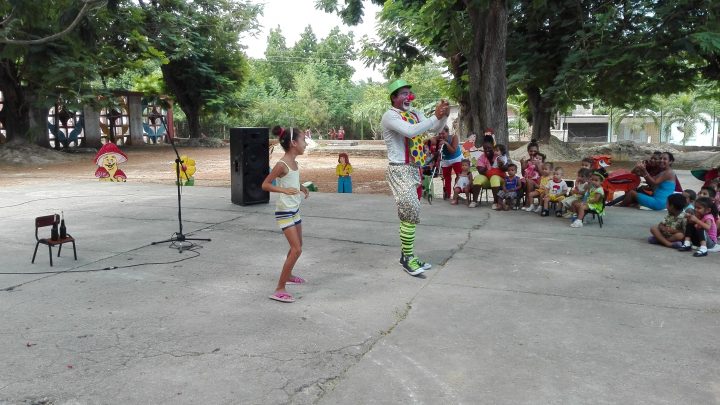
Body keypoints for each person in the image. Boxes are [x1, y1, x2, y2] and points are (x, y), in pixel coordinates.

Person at [381, 79, 449, 276]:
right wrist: (434, 117)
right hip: (400, 170)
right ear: (394, 98)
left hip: (416, 168)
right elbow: (411, 131)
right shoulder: (390, 117)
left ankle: (407, 255)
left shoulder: (415, 113)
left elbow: (434, 129)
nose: (408, 97)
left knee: (411, 214)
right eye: (402, 94)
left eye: (408, 93)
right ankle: (408, 259)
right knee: (409, 211)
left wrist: (443, 117)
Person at [261, 126, 310, 303]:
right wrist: (284, 190)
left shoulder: (294, 162)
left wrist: (301, 187)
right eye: (304, 140)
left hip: (294, 209)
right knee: (297, 249)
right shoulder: (282, 164)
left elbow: (293, 180)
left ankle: (288, 275)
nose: (306, 143)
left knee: (298, 246)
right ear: (293, 143)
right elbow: (265, 185)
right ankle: (279, 288)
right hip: (284, 212)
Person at [470, 132, 508, 209]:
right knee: (478, 178)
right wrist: (489, 170)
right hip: (488, 179)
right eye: (485, 148)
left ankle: (495, 202)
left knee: (494, 177)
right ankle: (474, 201)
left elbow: (506, 168)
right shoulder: (482, 157)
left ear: (493, 147)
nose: (487, 150)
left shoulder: (499, 154)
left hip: (500, 181)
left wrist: (501, 166)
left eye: (489, 148)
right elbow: (481, 171)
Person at [435, 126, 463, 200]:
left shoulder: (454, 137)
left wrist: (446, 143)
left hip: (456, 158)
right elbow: (430, 141)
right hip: (446, 159)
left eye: (443, 134)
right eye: (439, 134)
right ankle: (447, 194)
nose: (441, 135)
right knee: (446, 177)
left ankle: (456, 193)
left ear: (447, 132)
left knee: (459, 175)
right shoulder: (438, 138)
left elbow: (453, 150)